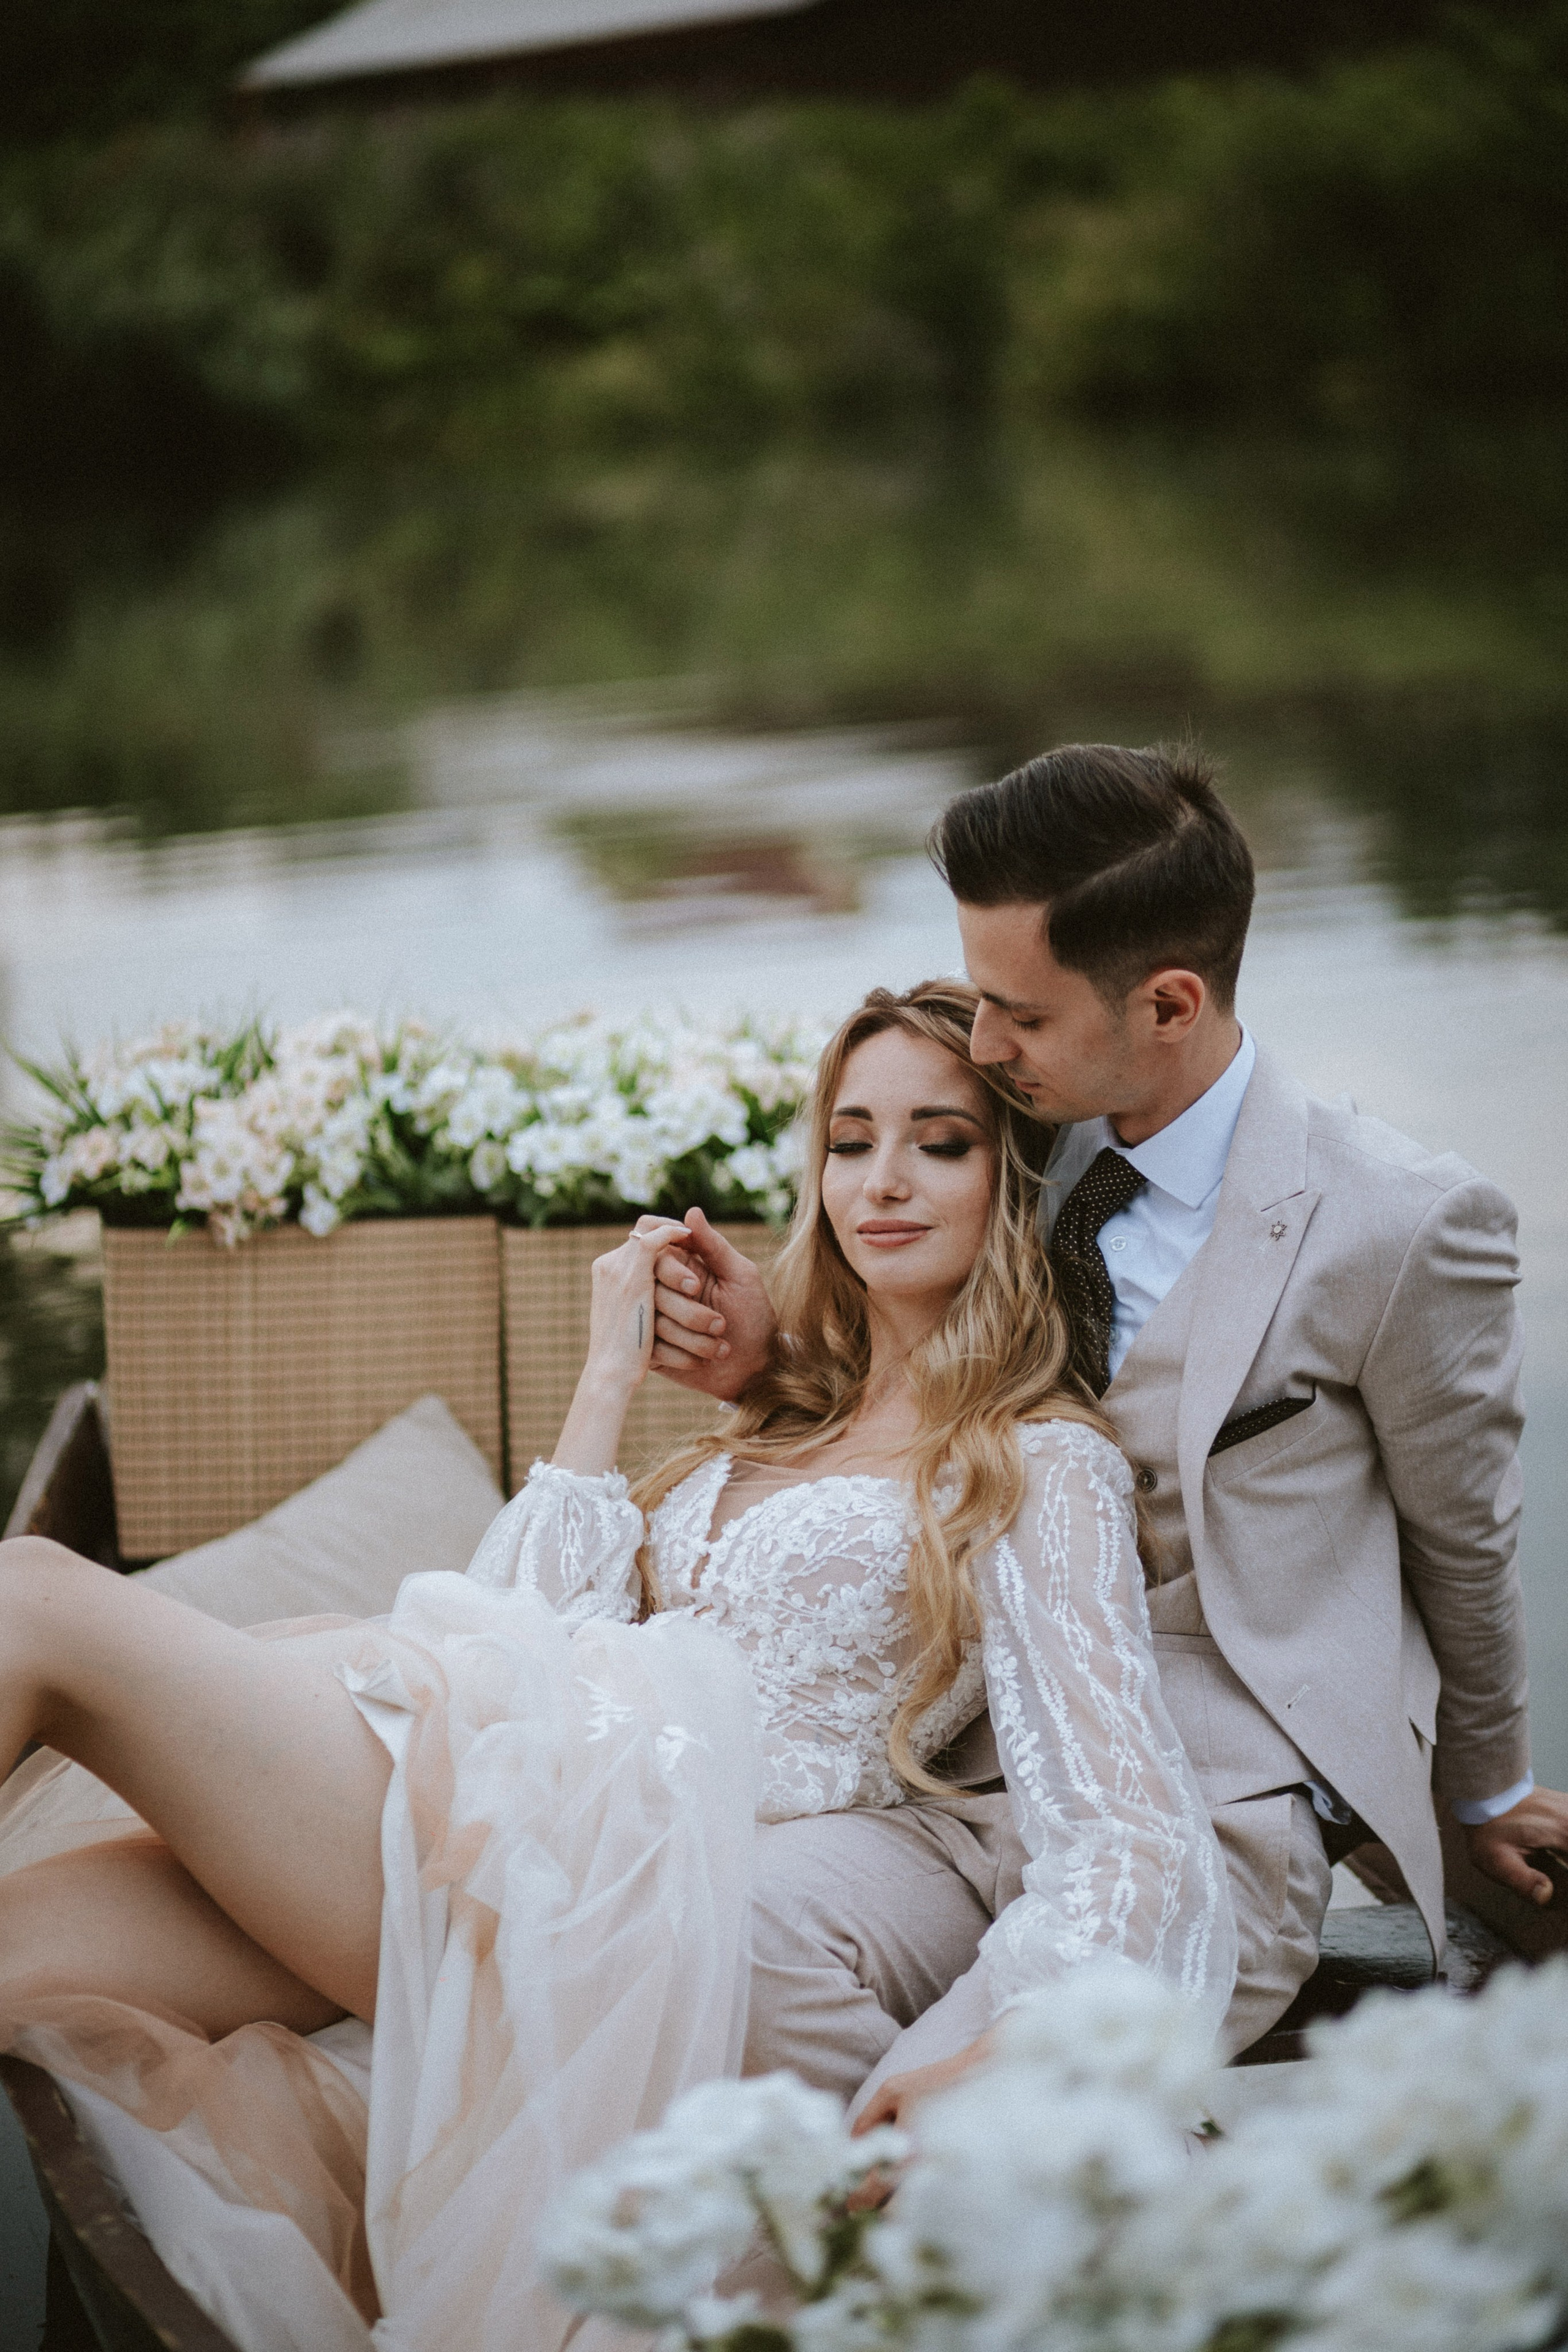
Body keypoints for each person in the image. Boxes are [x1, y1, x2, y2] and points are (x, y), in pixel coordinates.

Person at [0, 980, 1233, 2352]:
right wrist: (607, 1379)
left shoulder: (1036, 1463)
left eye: (939, 1144)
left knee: (33, 1594)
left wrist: (1024, 2049)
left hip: (596, 1876)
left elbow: (1123, 1819)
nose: (882, 1181)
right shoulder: (775, 1423)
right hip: (497, 1793)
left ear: (1016, 1185)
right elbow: (505, 1627)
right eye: (850, 1141)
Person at [647, 741, 1568, 2124]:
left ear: (1168, 1003)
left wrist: (1485, 1795)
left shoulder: (1400, 1225)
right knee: (722, 1945)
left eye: (1018, 1013)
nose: (982, 1044)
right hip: (953, 1777)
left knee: (967, 2119)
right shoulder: (1017, 1143)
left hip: (1210, 1809)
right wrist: (768, 1365)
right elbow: (931, 1379)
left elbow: (1466, 1538)